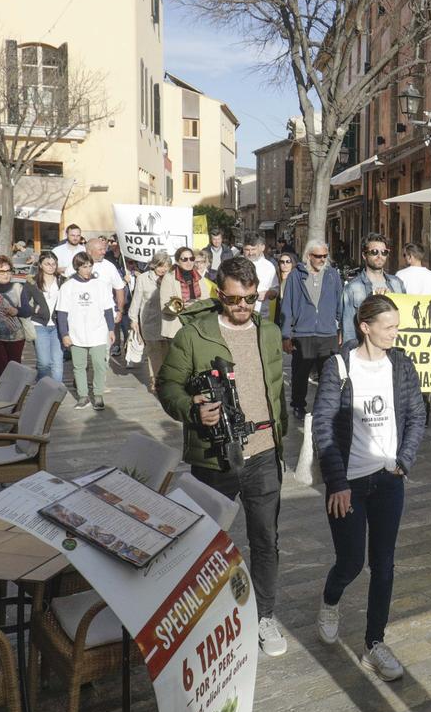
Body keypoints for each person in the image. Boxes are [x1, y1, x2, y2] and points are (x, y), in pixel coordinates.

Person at [157, 256, 291, 657]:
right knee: (208, 543)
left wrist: (283, 440)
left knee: (265, 540)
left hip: (264, 452)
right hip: (215, 456)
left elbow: (276, 390)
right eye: (235, 300)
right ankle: (210, 617)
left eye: (251, 299)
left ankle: (264, 615)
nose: (243, 307)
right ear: (220, 295)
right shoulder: (194, 335)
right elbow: (168, 386)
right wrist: (192, 409)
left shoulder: (268, 332)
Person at [312, 294, 425, 681]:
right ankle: (330, 599)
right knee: (350, 562)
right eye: (389, 326)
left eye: (397, 326)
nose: (396, 333)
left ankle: (374, 642)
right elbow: (323, 425)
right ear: (366, 327)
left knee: (385, 564)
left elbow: (416, 414)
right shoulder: (339, 366)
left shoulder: (401, 364)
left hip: (388, 481)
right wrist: (338, 482)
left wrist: (404, 461)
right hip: (349, 485)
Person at [280, 239, 343, 420]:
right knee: (300, 373)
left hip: (328, 332)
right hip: (303, 333)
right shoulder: (295, 276)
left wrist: (339, 329)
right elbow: (287, 307)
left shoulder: (332, 275)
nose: (322, 260)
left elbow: (340, 302)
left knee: (328, 374)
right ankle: (298, 405)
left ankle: (325, 407)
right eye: (318, 256)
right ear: (309, 256)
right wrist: (285, 335)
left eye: (325, 256)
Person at [55, 252, 115, 410]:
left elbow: (108, 309)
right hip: (76, 333)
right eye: (84, 267)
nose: (88, 270)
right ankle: (83, 396)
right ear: (77, 268)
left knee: (99, 364)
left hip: (98, 332)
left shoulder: (100, 285)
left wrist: (111, 329)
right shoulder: (67, 286)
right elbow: (61, 313)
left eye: (90, 266)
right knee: (79, 366)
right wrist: (64, 334)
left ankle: (98, 394)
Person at [132, 250, 182, 392]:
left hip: (168, 321)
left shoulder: (172, 278)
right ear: (154, 265)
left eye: (166, 266)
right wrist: (133, 319)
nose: (163, 269)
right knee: (153, 352)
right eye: (160, 266)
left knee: (167, 353)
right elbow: (136, 300)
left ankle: (166, 379)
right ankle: (155, 380)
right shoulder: (143, 278)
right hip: (149, 320)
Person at [338, 233, 399, 350]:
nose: (380, 256)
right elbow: (348, 329)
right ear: (364, 255)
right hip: (365, 352)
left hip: (392, 351)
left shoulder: (397, 284)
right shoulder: (352, 288)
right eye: (374, 252)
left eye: (384, 252)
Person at [86, 236, 128, 359]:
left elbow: (119, 288)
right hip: (83, 314)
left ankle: (100, 375)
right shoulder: (76, 264)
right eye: (100, 249)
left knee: (104, 351)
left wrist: (120, 310)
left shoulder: (109, 266)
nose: (104, 252)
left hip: (105, 315)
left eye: (104, 249)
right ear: (89, 251)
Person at [29, 252, 66, 384]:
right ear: (40, 265)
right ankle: (43, 388)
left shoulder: (63, 281)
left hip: (58, 325)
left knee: (57, 361)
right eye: (47, 264)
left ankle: (56, 391)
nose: (51, 266)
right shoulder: (32, 282)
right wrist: (35, 310)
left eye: (53, 264)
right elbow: (24, 303)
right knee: (44, 362)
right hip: (39, 325)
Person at [242, 234, 276, 302]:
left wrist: (268, 294)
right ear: (243, 249)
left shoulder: (269, 266)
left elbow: (275, 289)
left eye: (253, 249)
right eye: (247, 250)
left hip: (261, 308)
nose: (250, 253)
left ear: (259, 248)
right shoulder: (236, 264)